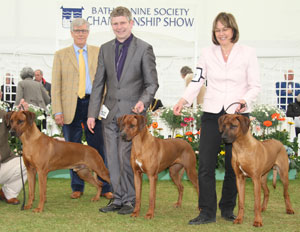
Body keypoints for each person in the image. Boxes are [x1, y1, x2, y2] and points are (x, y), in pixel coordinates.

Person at [173, 12, 261, 225]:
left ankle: (228, 208)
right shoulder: (206, 53)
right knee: (205, 164)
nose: (222, 33)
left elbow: (255, 85)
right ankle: (207, 211)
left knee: (234, 166)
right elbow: (198, 80)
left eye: (225, 29)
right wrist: (183, 100)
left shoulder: (248, 53)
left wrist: (244, 100)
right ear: (214, 33)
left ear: (233, 30)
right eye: (218, 30)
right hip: (212, 114)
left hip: (238, 117)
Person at [87, 6, 159, 215]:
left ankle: (130, 200)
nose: (119, 27)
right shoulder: (105, 48)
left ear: (131, 23)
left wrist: (142, 102)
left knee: (125, 158)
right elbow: (98, 83)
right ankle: (118, 198)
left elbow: (152, 84)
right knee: (112, 158)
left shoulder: (144, 48)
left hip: (132, 120)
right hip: (109, 116)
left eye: (122, 23)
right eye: (115, 23)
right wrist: (92, 113)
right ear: (112, 25)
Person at [51, 18, 112, 200]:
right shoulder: (60, 54)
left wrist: (103, 107)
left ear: (88, 32)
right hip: (70, 107)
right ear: (71, 33)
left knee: (98, 148)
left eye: (84, 30)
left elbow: (105, 81)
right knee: (71, 150)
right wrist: (57, 111)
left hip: (93, 105)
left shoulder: (98, 52)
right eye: (77, 30)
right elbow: (56, 86)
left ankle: (107, 186)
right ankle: (77, 187)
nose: (80, 33)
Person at [0, 109, 27, 205]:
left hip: (4, 161)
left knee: (27, 163)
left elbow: (19, 126)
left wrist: (22, 114)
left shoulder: (4, 115)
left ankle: (7, 193)